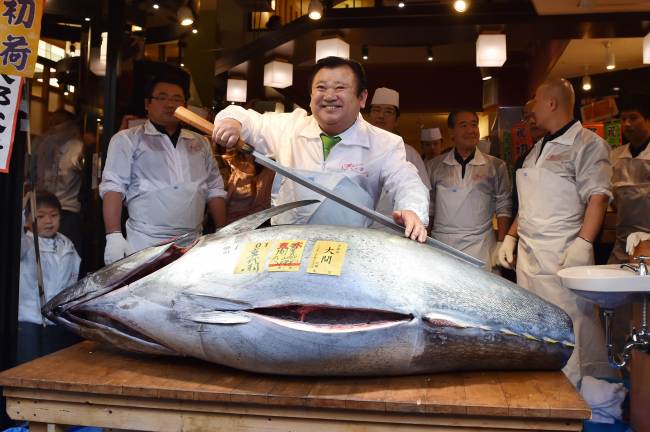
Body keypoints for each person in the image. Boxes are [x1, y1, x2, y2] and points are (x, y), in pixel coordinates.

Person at [212, 56, 429, 242]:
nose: (329, 96)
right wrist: (232, 122)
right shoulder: (290, 126)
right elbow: (248, 119)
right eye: (321, 88)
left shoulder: (385, 143)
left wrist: (412, 210)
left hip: (348, 248)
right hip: (288, 245)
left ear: (362, 98)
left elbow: (407, 181)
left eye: (340, 88)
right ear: (310, 96)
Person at [498, 78, 615, 385]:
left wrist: (583, 243)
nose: (531, 109)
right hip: (529, 257)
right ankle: (543, 393)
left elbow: (598, 197)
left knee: (571, 327)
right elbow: (530, 203)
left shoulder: (588, 144)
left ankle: (578, 397)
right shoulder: (537, 148)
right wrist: (511, 235)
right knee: (535, 326)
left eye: (535, 101)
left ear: (551, 103)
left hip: (564, 256)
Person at [100, 74, 227, 265]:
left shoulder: (200, 142)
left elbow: (215, 189)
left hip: (193, 242)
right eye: (162, 97)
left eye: (177, 99)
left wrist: (223, 232)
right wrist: (113, 235)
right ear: (147, 104)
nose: (170, 104)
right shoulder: (126, 139)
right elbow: (113, 188)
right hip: (145, 242)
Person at [426, 110, 511, 271]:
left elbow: (503, 206)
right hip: (442, 245)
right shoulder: (434, 166)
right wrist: (424, 240)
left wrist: (501, 242)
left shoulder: (496, 166)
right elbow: (429, 207)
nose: (471, 130)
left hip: (481, 247)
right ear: (451, 132)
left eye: (474, 125)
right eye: (464, 125)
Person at [18, 191, 81, 365]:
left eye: (54, 215)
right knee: (28, 368)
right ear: (28, 221)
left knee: (53, 367)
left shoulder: (67, 245)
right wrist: (22, 207)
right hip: (29, 319)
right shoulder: (26, 244)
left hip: (57, 320)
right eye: (40, 216)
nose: (48, 221)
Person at [366, 87, 430, 233]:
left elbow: (417, 188)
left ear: (396, 120)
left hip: (394, 230)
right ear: (369, 115)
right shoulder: (357, 147)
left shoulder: (410, 153)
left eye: (388, 111)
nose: (381, 116)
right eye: (376, 110)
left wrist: (413, 211)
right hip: (359, 228)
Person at [30, 110, 85, 255]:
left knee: (66, 255)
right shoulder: (43, 144)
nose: (54, 126)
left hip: (66, 209)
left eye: (58, 121)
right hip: (44, 206)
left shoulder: (77, 147)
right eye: (52, 121)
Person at [607, 95, 650, 264]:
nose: (626, 124)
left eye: (633, 118)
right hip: (623, 242)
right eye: (623, 119)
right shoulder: (614, 156)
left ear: (647, 119)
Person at [221, 148, 275, 224]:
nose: (229, 163)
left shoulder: (267, 172)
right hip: (226, 220)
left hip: (245, 224)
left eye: (231, 160)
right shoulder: (236, 170)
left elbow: (263, 206)